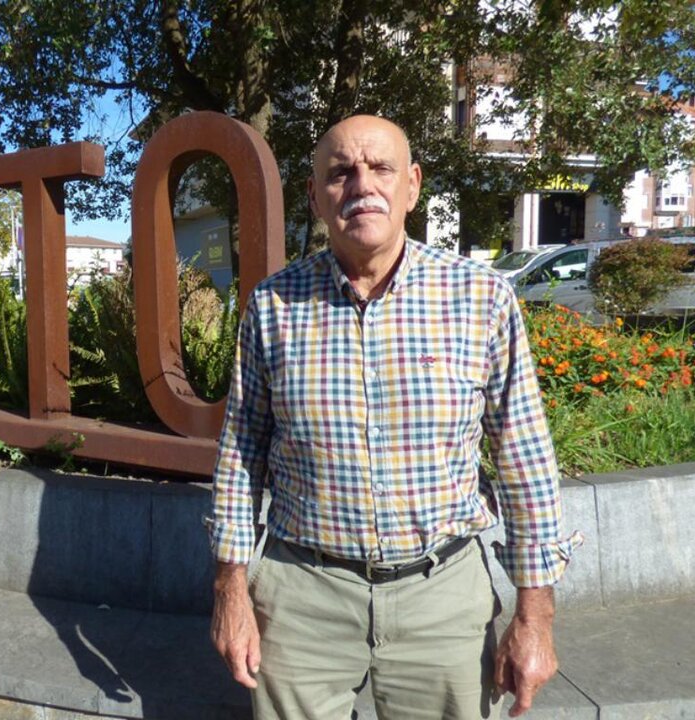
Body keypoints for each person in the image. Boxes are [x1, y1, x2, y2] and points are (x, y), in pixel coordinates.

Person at [207, 115, 580, 720]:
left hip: (442, 597)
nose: (361, 185)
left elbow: (525, 460)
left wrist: (534, 617)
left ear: (412, 185)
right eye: (340, 172)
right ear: (315, 196)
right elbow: (239, 456)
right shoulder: (272, 305)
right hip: (303, 597)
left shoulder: (481, 299)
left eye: (380, 168)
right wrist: (230, 591)